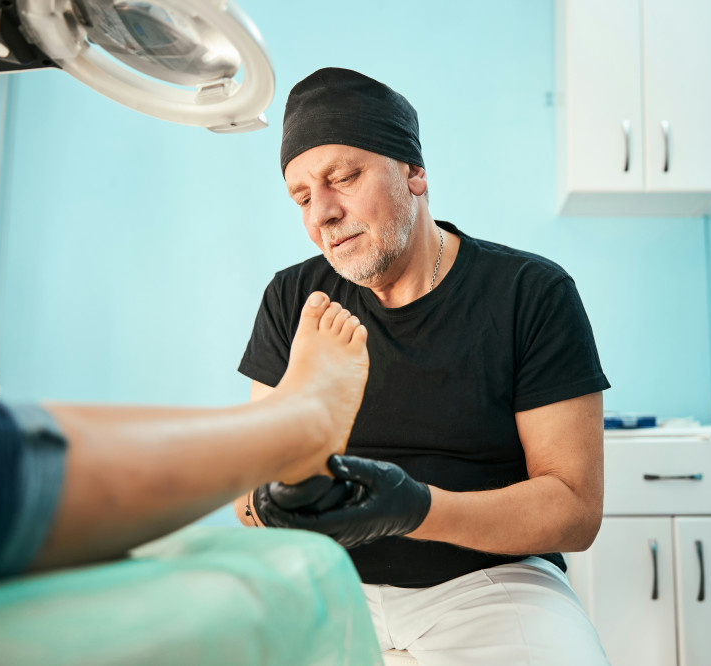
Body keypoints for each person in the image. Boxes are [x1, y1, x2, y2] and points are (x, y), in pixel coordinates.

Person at [234, 67, 611, 665]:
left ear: (414, 173)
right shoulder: (295, 299)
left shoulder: (529, 292)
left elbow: (575, 510)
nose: (322, 213)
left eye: (343, 177)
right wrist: (272, 501)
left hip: (489, 581)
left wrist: (416, 508)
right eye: (302, 197)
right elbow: (247, 501)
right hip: (330, 582)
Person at [0, 291, 369, 591]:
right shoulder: (288, 292)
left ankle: (298, 423)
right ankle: (303, 427)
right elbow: (249, 510)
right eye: (302, 199)